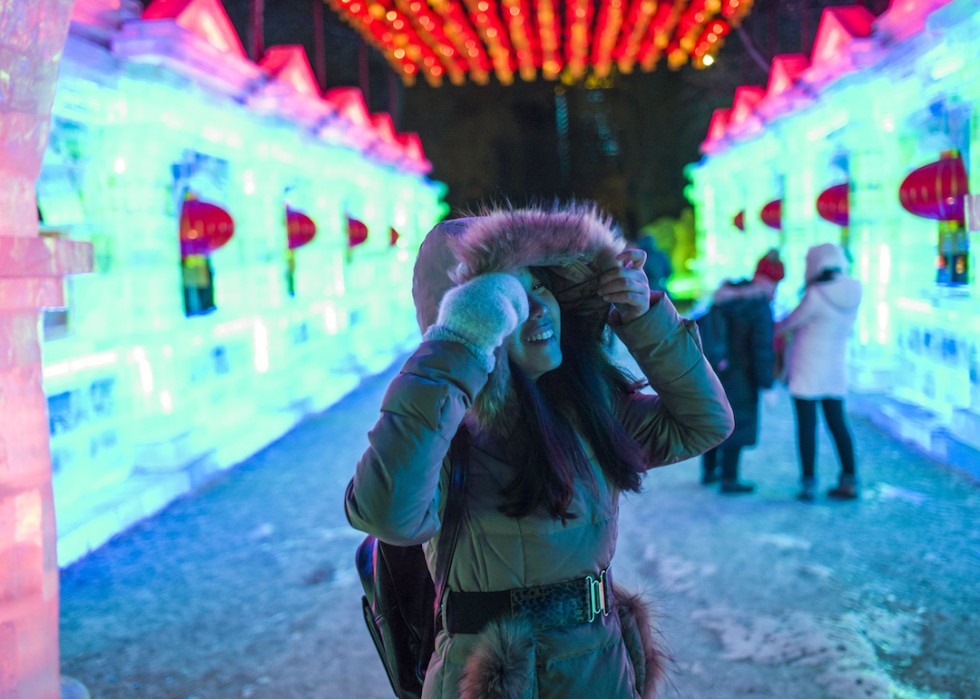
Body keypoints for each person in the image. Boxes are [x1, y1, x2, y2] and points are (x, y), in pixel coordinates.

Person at [345, 203, 733, 699]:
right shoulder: (437, 427)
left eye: (540, 284)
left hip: (602, 667)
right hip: (485, 679)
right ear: (470, 318)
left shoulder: (593, 408)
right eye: (506, 298)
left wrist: (644, 318)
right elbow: (389, 515)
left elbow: (704, 424)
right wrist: (458, 348)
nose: (537, 306)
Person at [777, 243, 863, 501]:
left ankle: (808, 483)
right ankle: (849, 479)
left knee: (807, 425)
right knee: (838, 424)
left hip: (807, 366)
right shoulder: (855, 289)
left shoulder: (816, 293)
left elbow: (789, 323)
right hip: (835, 366)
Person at [699, 258, 779, 494]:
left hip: (715, 369)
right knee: (738, 420)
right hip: (743, 375)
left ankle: (709, 470)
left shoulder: (720, 303)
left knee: (714, 416)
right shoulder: (758, 307)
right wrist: (767, 383)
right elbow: (762, 348)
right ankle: (730, 478)